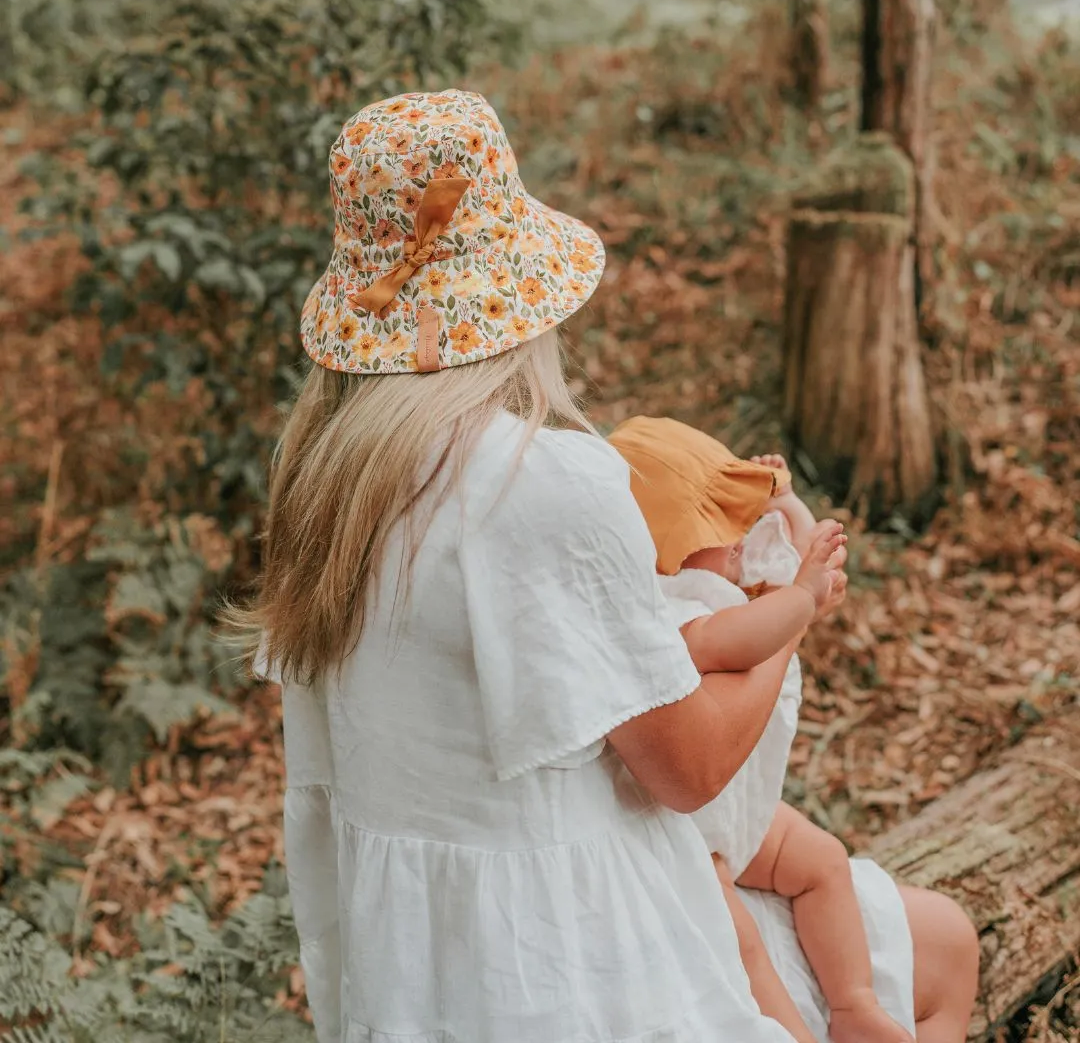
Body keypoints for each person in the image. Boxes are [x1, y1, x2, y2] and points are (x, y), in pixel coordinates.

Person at [237, 89, 978, 1043]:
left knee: (919, 937)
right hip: (592, 963)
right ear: (513, 293)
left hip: (423, 978)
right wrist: (792, 614)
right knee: (946, 945)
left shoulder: (322, 481)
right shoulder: (541, 481)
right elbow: (691, 769)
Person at [608, 417, 980, 1043]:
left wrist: (783, 503)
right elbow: (741, 637)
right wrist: (800, 600)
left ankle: (854, 1001)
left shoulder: (732, 585)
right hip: (688, 840)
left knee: (823, 860)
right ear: (663, 552)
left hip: (741, 810)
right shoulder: (669, 616)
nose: (737, 536)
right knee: (741, 940)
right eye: (717, 521)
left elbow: (811, 562)